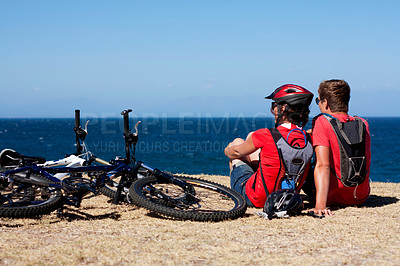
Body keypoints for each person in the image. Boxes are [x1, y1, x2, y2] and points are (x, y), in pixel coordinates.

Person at [224, 84, 314, 208]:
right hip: (287, 199)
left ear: (282, 109)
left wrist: (227, 150)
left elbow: (237, 152)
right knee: (251, 137)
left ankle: (236, 193)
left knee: (237, 143)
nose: (273, 110)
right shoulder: (308, 138)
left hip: (257, 199)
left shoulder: (266, 135)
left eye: (274, 106)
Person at [310, 79, 371, 216]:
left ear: (325, 103)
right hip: (360, 196)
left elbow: (322, 165)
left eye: (318, 100)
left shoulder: (322, 122)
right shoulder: (363, 124)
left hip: (334, 197)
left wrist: (320, 205)